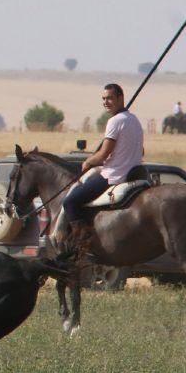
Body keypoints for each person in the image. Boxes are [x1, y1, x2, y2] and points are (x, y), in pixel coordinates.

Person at [62, 83, 143, 262]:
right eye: (104, 99)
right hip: (134, 173)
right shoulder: (134, 120)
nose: (106, 102)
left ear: (121, 98)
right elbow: (141, 151)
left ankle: (82, 242)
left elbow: (104, 153)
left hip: (113, 176)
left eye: (110, 98)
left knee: (71, 202)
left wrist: (88, 162)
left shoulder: (115, 121)